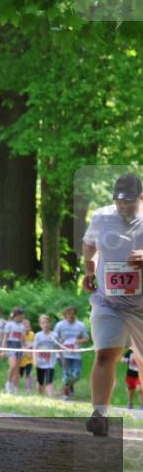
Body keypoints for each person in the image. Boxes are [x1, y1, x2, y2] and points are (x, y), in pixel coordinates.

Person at [82, 173, 143, 436]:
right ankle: (99, 415)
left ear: (141, 197)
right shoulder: (102, 217)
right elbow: (88, 245)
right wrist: (89, 269)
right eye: (119, 201)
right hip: (110, 301)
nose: (124, 206)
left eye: (129, 201)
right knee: (105, 354)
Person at [53, 305, 89, 400]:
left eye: (73, 313)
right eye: (69, 313)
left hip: (76, 354)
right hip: (63, 354)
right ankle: (66, 393)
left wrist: (79, 341)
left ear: (75, 314)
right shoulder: (60, 325)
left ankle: (67, 388)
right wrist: (61, 355)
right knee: (67, 374)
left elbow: (86, 338)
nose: (71, 315)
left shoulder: (80, 325)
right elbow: (55, 340)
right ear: (65, 315)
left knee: (77, 374)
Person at [33, 314, 62, 397]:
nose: (45, 324)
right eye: (43, 323)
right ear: (40, 325)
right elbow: (34, 349)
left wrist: (62, 360)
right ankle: (40, 393)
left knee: (49, 380)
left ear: (50, 324)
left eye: (47, 322)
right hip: (40, 362)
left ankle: (50, 395)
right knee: (40, 382)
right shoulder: (38, 335)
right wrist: (34, 360)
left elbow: (59, 348)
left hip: (50, 362)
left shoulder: (55, 335)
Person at [4, 307, 26, 394]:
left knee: (17, 368)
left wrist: (27, 347)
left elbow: (23, 340)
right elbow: (5, 338)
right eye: (21, 315)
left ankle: (15, 386)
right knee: (13, 365)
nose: (23, 317)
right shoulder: (9, 324)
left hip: (19, 346)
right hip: (11, 345)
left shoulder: (22, 326)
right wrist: (3, 350)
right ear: (17, 315)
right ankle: (8, 382)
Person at [21, 318, 35, 394]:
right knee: (19, 374)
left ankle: (28, 388)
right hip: (21, 359)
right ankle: (13, 385)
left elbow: (34, 346)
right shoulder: (20, 335)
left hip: (29, 359)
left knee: (28, 374)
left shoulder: (32, 334)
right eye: (25, 326)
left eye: (28, 326)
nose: (26, 328)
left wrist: (32, 355)